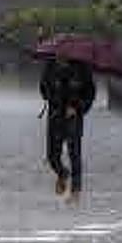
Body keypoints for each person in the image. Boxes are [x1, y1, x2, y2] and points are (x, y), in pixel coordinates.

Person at [40, 56, 96, 199]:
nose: (61, 56)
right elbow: (43, 89)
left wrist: (77, 107)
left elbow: (90, 94)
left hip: (73, 117)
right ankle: (62, 173)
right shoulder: (50, 66)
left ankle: (75, 191)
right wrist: (49, 92)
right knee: (52, 156)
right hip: (55, 115)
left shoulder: (82, 68)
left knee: (74, 154)